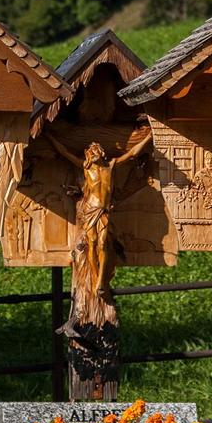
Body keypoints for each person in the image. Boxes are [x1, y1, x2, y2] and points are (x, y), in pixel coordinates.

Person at [45, 116, 154, 314]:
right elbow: (64, 152)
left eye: (95, 150)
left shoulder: (110, 165)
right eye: (91, 151)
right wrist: (50, 136)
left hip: (104, 210)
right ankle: (95, 278)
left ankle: (101, 281)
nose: (93, 153)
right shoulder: (86, 167)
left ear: (101, 153)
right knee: (92, 243)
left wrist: (148, 137)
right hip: (90, 210)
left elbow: (132, 153)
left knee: (103, 244)